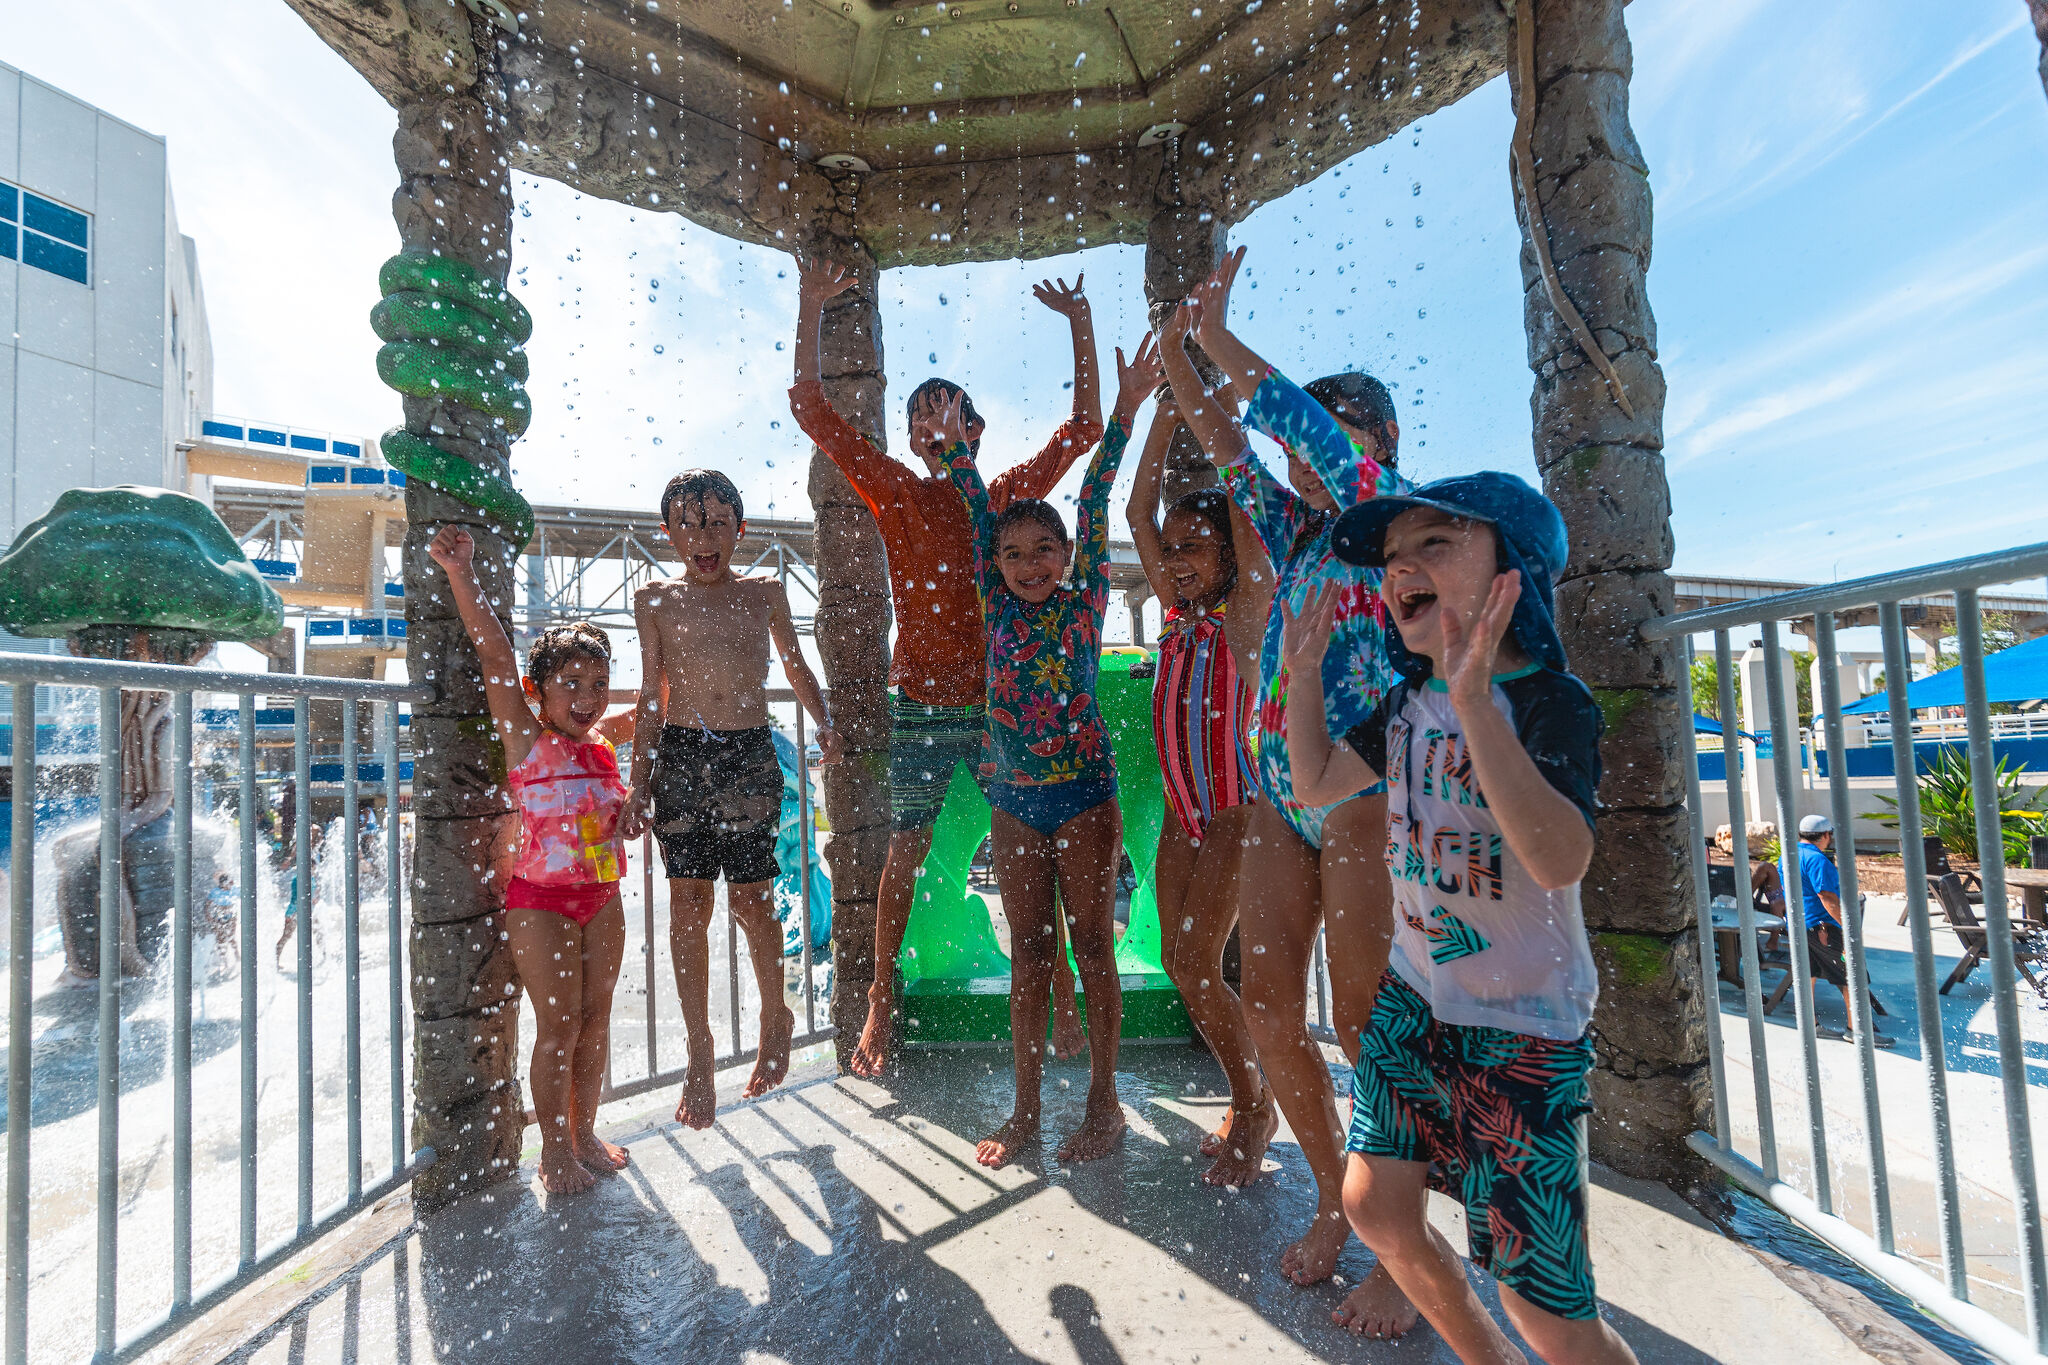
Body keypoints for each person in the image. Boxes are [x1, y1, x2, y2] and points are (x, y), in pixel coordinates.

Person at [1280, 471, 1637, 1364]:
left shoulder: (1552, 703)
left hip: (1522, 1028)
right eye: (1395, 556)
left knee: (1548, 1308)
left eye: (1435, 543)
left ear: (1511, 572)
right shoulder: (1404, 705)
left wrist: (1478, 703)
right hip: (1414, 996)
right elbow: (1316, 781)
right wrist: (1301, 678)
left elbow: (1560, 858)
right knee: (1375, 1208)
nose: (1403, 566)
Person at [1168, 247, 1418, 1333]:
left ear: (1380, 446)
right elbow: (1231, 451)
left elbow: (1297, 432)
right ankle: (1335, 1198)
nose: (1306, 462)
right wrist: (1179, 364)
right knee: (1270, 1004)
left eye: (1330, 441)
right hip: (1282, 795)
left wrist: (1220, 335)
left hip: (1366, 790)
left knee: (1364, 1020)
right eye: (1306, 449)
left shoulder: (1389, 511)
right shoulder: (1292, 528)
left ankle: (1403, 1246)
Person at [789, 257, 1103, 1077]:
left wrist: (1077, 324)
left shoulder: (1002, 497)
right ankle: (877, 1005)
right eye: (922, 422)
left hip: (1003, 705)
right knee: (905, 848)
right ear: (910, 441)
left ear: (976, 432)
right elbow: (810, 409)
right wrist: (812, 302)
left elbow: (1083, 432)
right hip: (923, 702)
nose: (936, 432)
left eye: (950, 419)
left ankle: (1062, 988)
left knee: (1028, 847)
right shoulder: (894, 490)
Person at [943, 333, 1159, 1169]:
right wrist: (958, 447)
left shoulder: (1088, 597)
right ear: (994, 563)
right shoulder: (992, 593)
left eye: (1045, 550)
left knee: (1092, 943)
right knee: (1029, 951)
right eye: (1014, 552)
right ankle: (1026, 1104)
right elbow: (972, 504)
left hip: (1083, 789)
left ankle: (1104, 1102)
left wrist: (1128, 408)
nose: (1029, 563)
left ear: (1070, 557)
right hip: (1014, 795)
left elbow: (1099, 488)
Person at [622, 470, 844, 1130]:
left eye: (718, 521)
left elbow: (797, 664)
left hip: (748, 753)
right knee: (689, 902)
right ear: (668, 533)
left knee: (751, 897)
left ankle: (775, 1014)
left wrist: (823, 718)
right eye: (689, 523)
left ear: (739, 529)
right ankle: (699, 1048)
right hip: (683, 757)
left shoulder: (764, 593)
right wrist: (639, 782)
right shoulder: (654, 600)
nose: (704, 536)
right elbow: (651, 695)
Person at [427, 524, 635, 1196]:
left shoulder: (603, 748)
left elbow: (651, 720)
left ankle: (583, 1133)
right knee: (560, 1024)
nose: (587, 695)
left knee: (597, 1018)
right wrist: (461, 574)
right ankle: (551, 1150)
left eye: (599, 682)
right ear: (538, 693)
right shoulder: (527, 739)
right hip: (540, 902)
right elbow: (492, 652)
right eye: (570, 682)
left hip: (603, 895)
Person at [1125, 366, 1277, 1188]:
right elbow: (1135, 513)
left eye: (1193, 546)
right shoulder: (1177, 613)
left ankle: (1255, 1104)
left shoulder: (1244, 608)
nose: (1175, 558)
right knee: (1179, 959)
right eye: (1171, 548)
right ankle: (1246, 1093)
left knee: (1191, 960)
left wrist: (1205, 400)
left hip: (1234, 811)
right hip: (1186, 813)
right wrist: (1160, 411)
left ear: (1228, 552)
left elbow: (1248, 507)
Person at [1795, 814, 1894, 1046]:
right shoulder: (1818, 860)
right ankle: (1856, 1030)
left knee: (1807, 975)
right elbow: (1827, 897)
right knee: (1853, 976)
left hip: (1800, 926)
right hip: (1824, 928)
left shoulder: (1788, 857)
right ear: (1826, 835)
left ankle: (1810, 1024)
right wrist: (1849, 929)